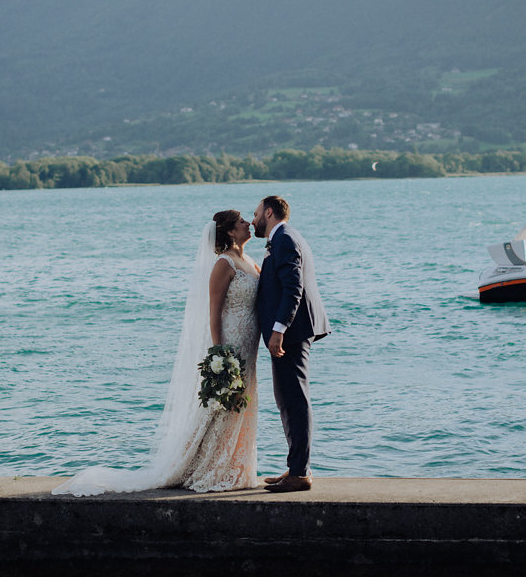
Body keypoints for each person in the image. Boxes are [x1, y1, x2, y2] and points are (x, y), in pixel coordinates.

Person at [53, 209, 261, 496]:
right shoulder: (223, 265)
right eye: (241, 222)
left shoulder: (250, 261)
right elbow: (213, 312)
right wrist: (220, 353)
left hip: (251, 345)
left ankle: (233, 466)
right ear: (228, 231)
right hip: (232, 343)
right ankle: (203, 466)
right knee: (219, 408)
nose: (248, 224)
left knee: (241, 404)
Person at [253, 195, 330, 493]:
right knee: (287, 399)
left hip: (292, 332)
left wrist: (279, 329)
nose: (254, 218)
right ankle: (295, 467)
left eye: (257, 212)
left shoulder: (284, 238)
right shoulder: (287, 236)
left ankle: (300, 472)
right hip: (293, 330)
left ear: (269, 212)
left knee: (294, 400)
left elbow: (293, 287)